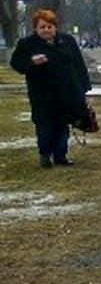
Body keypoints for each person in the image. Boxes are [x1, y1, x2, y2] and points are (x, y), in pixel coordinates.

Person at [9, 9, 92, 168]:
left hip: (67, 92)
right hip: (42, 95)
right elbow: (16, 64)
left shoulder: (67, 41)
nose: (46, 30)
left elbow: (79, 64)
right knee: (45, 126)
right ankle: (45, 155)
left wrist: (84, 87)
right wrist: (32, 62)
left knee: (63, 124)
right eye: (42, 27)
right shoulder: (27, 44)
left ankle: (61, 155)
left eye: (49, 26)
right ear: (36, 28)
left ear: (55, 27)